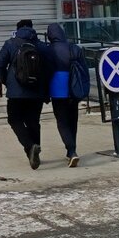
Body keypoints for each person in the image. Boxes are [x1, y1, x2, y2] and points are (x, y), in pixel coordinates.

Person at [0, 19, 54, 170]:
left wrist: (5, 81)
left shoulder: (10, 43)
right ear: (32, 29)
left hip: (16, 93)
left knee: (14, 119)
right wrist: (45, 89)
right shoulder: (41, 46)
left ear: (18, 29)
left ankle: (30, 147)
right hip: (37, 91)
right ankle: (35, 151)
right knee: (33, 121)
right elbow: (49, 69)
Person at [45, 23, 81, 167]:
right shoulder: (74, 48)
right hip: (74, 88)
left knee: (62, 121)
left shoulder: (49, 50)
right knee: (73, 120)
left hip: (57, 90)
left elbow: (46, 72)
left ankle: (71, 151)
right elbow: (83, 69)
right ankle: (72, 150)